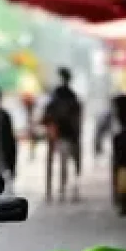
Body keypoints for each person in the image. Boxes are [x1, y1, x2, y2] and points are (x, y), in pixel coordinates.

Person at [41, 66, 83, 202]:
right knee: (64, 164)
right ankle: (62, 190)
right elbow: (77, 119)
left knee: (51, 163)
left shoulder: (55, 96)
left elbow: (46, 115)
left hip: (55, 133)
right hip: (68, 134)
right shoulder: (73, 97)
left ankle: (50, 191)